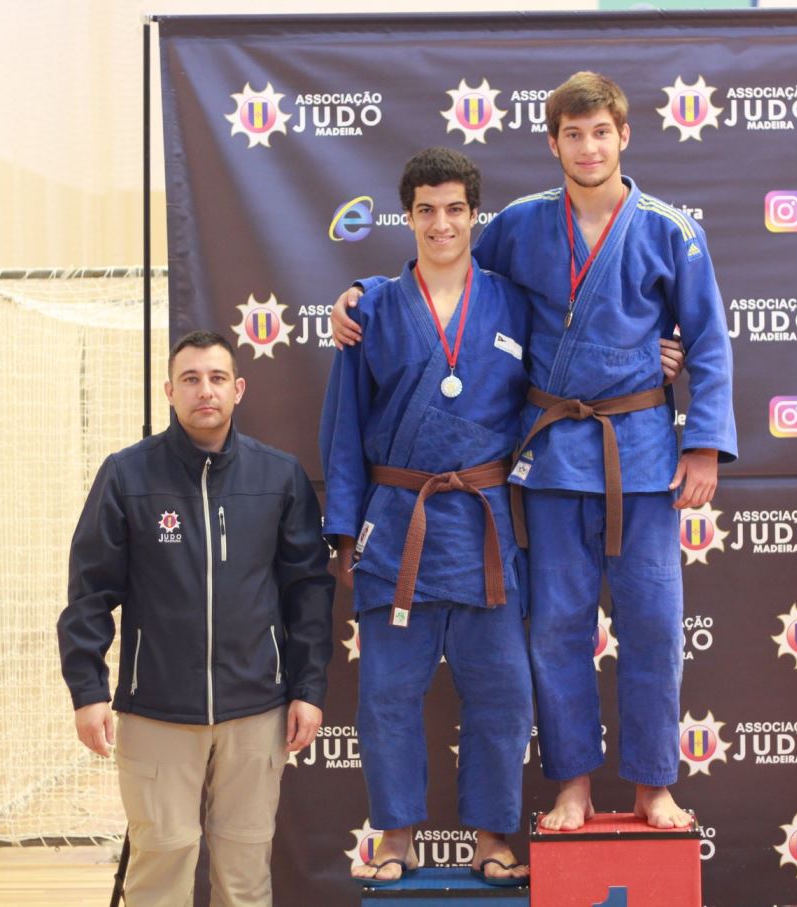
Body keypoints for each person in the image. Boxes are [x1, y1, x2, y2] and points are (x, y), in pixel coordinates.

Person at [332, 72, 736, 831]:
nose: (589, 148)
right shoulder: (519, 224)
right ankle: (572, 782)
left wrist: (705, 445)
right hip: (550, 459)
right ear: (553, 143)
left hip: (642, 454)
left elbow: (709, 340)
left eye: (601, 132)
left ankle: (653, 784)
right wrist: (360, 293)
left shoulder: (670, 230)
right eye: (573, 134)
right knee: (557, 629)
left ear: (624, 136)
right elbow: (450, 273)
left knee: (654, 626)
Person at [58, 330, 334, 907]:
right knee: (161, 867)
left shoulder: (279, 476)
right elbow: (89, 592)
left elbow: (307, 592)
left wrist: (307, 689)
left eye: (216, 378)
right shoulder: (127, 475)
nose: (204, 390)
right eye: (190, 379)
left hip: (256, 709)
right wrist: (88, 691)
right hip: (156, 710)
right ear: (169, 391)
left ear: (238, 389)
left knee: (244, 875)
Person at [319, 147, 534, 887]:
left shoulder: (514, 302)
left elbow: (564, 377)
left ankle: (491, 836)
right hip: (397, 522)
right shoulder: (371, 309)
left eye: (454, 209)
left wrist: (656, 360)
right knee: (386, 694)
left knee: (503, 691)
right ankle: (396, 835)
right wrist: (343, 530)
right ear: (407, 216)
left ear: (475, 215)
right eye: (426, 210)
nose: (441, 223)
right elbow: (344, 425)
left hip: (485, 527)